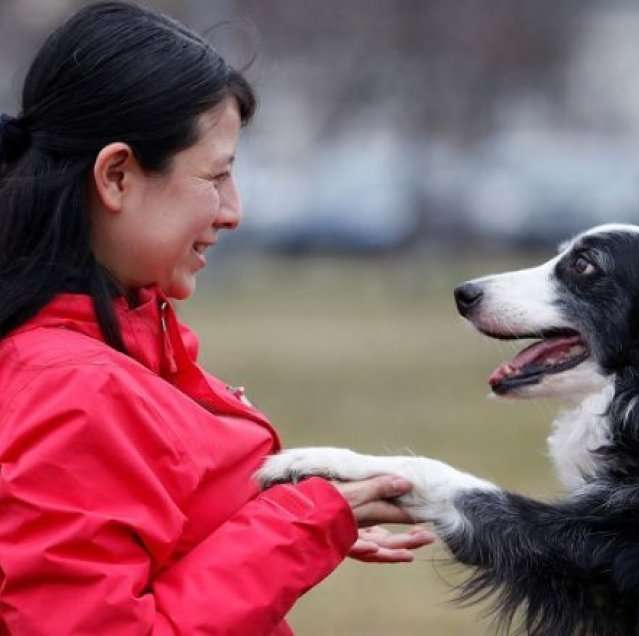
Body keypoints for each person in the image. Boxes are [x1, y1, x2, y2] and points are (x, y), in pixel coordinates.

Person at [0, 2, 434, 634]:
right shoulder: (76, 391)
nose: (234, 211)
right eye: (217, 176)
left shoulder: (106, 353)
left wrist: (271, 518)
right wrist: (292, 529)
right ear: (116, 176)